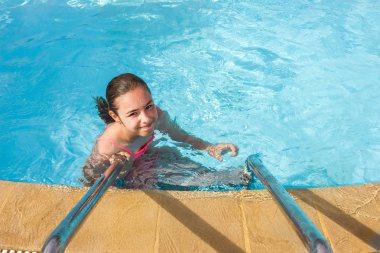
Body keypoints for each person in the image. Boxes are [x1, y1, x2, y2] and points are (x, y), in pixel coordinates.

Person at [80, 73, 245, 188]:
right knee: (148, 177)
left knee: (171, 153)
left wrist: (209, 147)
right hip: (130, 175)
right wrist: (121, 171)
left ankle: (222, 180)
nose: (146, 118)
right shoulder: (107, 147)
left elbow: (184, 138)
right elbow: (90, 185)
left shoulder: (156, 114)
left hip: (151, 157)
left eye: (148, 106)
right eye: (133, 113)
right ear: (115, 116)